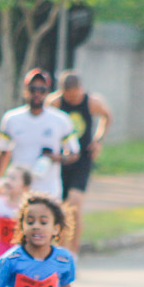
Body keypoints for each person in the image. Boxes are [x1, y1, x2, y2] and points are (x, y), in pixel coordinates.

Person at [46, 70, 113, 254]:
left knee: (74, 204)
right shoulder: (54, 103)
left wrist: (98, 140)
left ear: (81, 89)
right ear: (62, 93)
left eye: (77, 94)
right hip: (60, 159)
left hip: (83, 158)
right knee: (57, 207)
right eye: (70, 96)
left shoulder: (92, 102)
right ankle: (57, 250)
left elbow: (107, 116)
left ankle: (72, 254)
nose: (74, 99)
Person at [0, 69, 80, 203]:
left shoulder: (61, 120)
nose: (37, 94)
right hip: (19, 192)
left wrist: (56, 158)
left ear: (48, 92)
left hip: (49, 190)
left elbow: (74, 153)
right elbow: (3, 153)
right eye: (32, 89)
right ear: (25, 91)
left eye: (42, 90)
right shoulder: (11, 119)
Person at [0, 165, 32, 261]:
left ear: (25, 187)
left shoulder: (28, 209)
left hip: (20, 255)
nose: (7, 181)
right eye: (7, 177)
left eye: (13, 178)